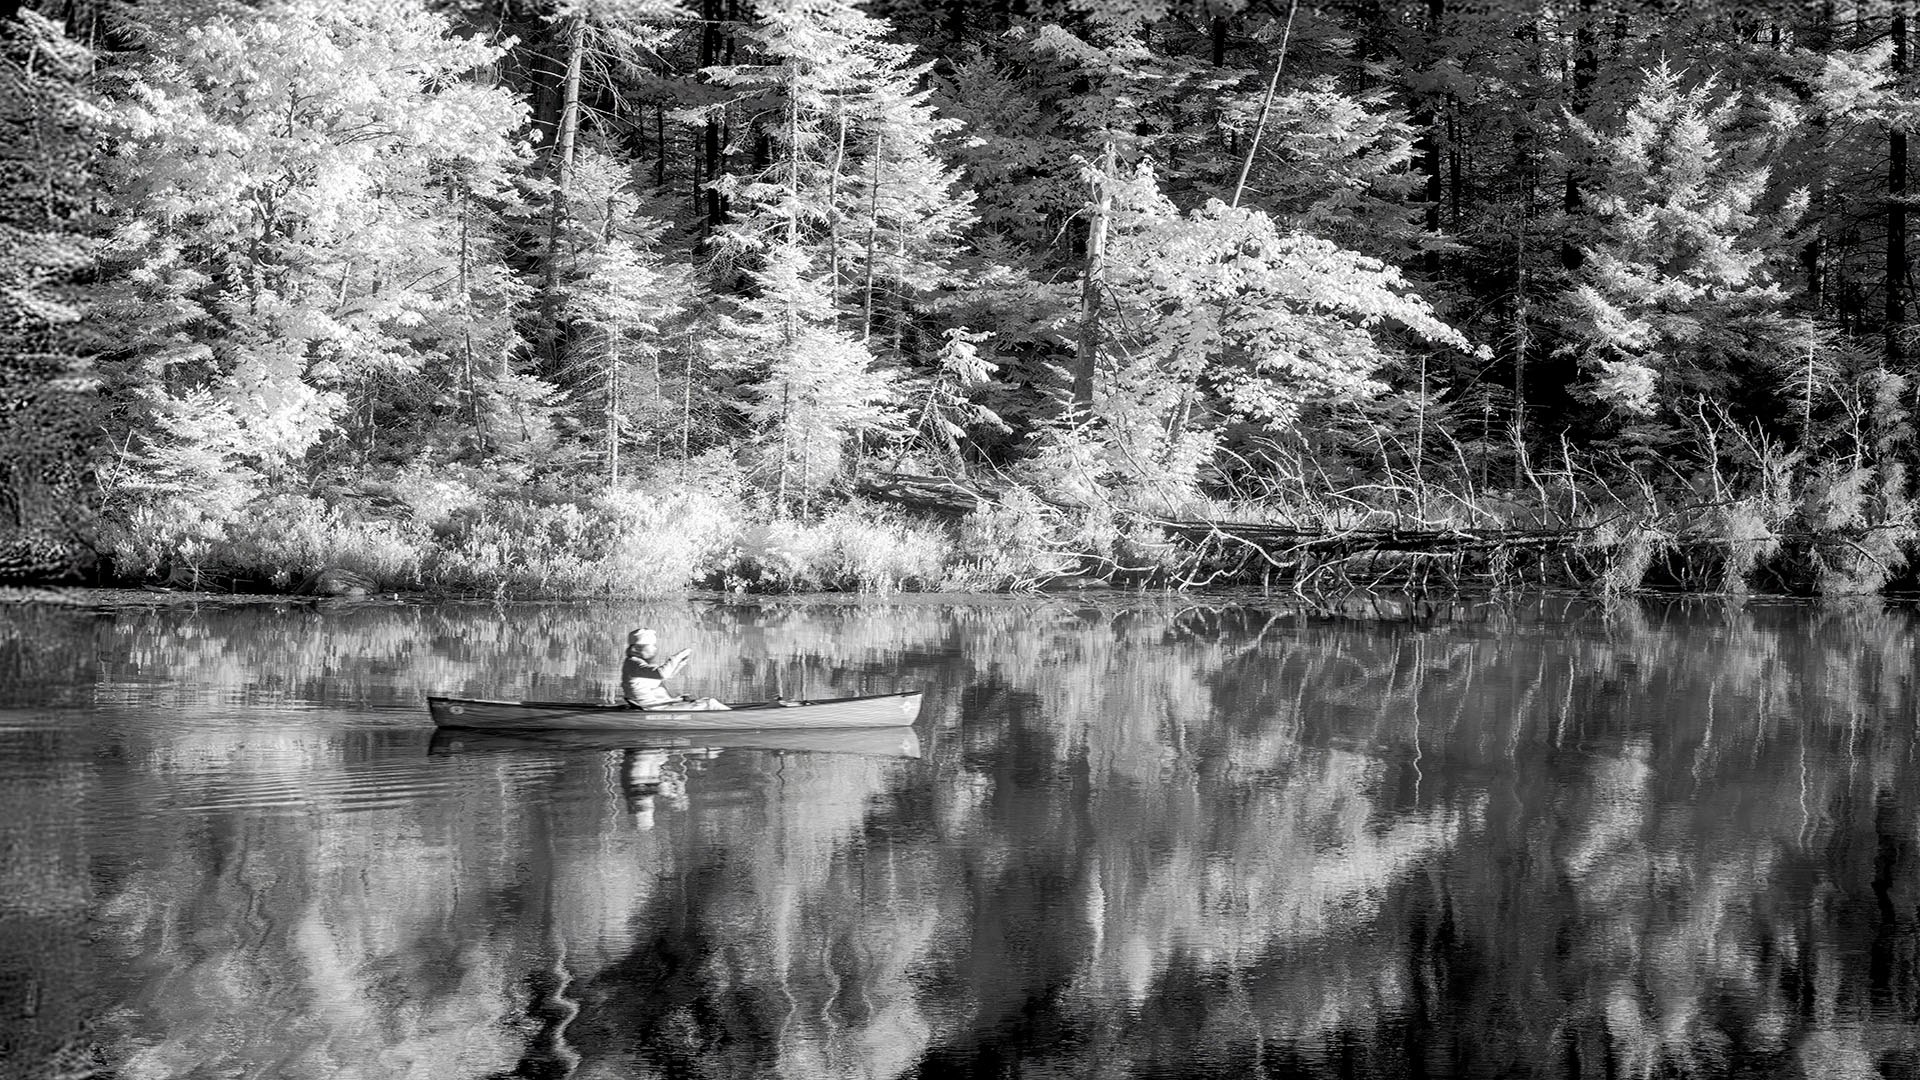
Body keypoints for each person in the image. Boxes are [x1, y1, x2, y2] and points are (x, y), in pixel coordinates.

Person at [621, 628, 729, 710]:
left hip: (657, 705)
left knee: (696, 700)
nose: (655, 649)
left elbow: (663, 676)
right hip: (654, 709)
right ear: (637, 648)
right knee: (710, 703)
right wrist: (676, 657)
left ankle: (732, 715)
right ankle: (738, 718)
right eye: (651, 646)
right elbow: (662, 673)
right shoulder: (634, 664)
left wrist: (679, 664)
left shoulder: (635, 663)